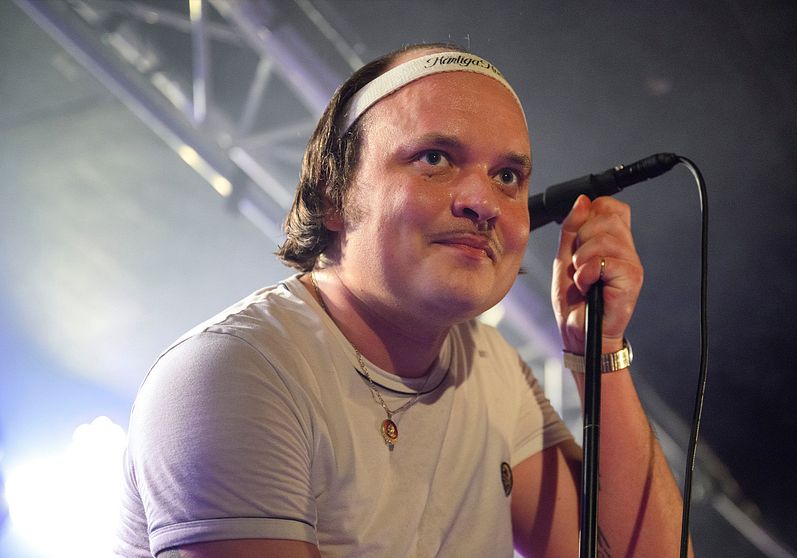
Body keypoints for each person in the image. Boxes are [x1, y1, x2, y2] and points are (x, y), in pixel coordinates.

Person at [116, 43, 691, 558]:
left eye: (508, 176)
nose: (483, 202)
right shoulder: (238, 372)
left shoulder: (492, 368)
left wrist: (598, 349)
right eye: (435, 158)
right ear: (333, 194)